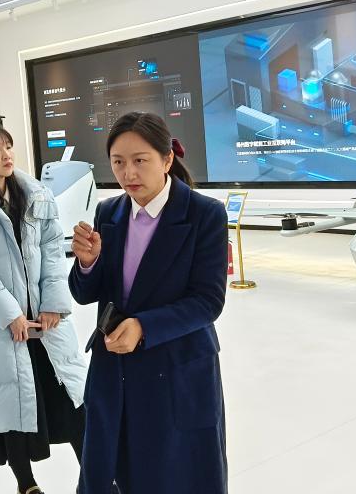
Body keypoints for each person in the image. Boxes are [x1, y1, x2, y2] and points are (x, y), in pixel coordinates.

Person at [68, 112, 229, 494]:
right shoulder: (109, 212)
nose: (128, 173)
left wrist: (144, 327)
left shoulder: (204, 214)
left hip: (176, 368)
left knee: (176, 475)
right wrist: (88, 263)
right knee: (111, 471)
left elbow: (208, 300)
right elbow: (86, 293)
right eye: (118, 162)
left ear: (167, 159)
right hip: (114, 370)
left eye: (140, 160)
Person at [0, 125, 88, 494]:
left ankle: (97, 477)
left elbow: (53, 249)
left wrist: (54, 302)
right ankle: (27, 484)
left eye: (8, 146)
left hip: (44, 319)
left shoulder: (35, 194)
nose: (7, 155)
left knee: (72, 399)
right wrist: (9, 314)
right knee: (11, 406)